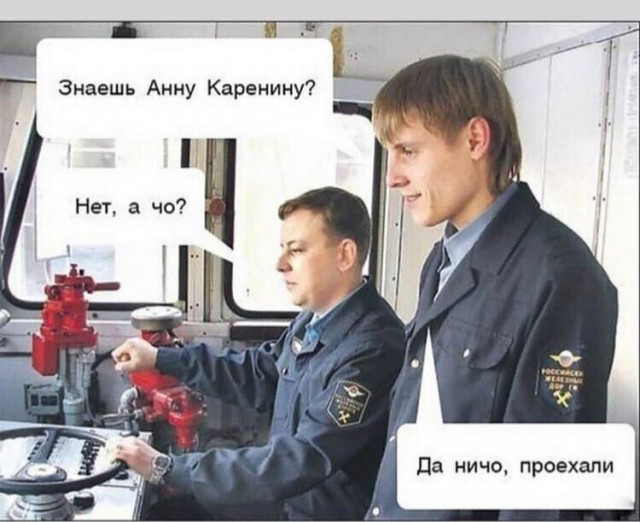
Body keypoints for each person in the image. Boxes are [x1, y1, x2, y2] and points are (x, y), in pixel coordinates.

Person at [365, 55, 618, 520]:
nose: (392, 177)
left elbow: (544, 492)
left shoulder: (562, 276)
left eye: (409, 151)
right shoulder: (444, 259)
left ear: (475, 140)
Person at [111, 187, 405, 520]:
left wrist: (166, 467)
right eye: (282, 249)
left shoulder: (373, 349)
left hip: (316, 512)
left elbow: (302, 458)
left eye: (296, 250)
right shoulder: (315, 318)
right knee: (166, 514)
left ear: (345, 255)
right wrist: (161, 358)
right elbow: (260, 373)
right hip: (287, 502)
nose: (280, 264)